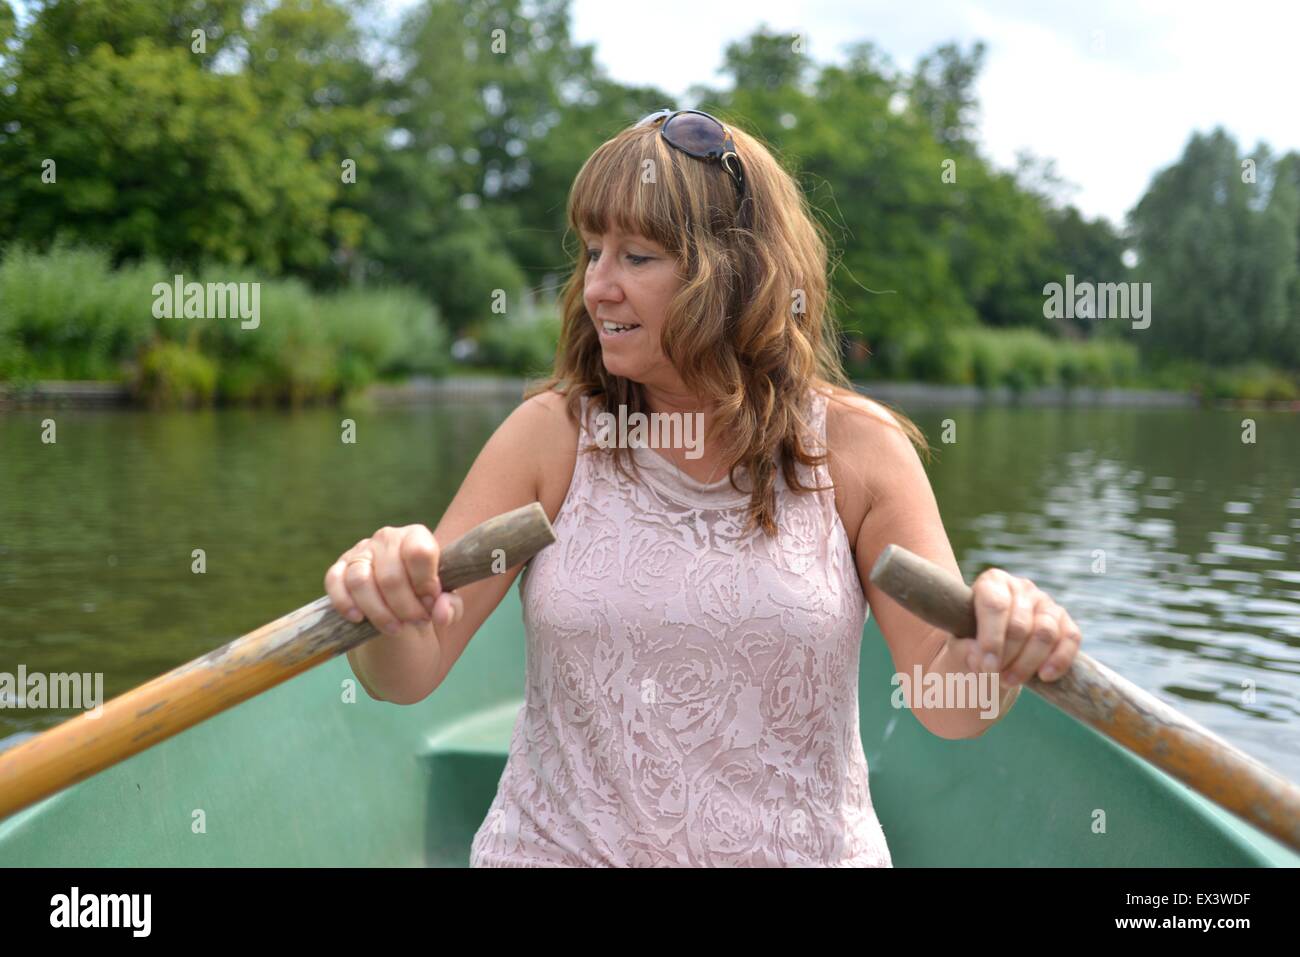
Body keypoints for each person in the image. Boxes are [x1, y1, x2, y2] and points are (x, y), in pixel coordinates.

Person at [324, 108, 1082, 867]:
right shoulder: (550, 436)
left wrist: (1001, 646)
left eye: (637, 257)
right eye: (592, 252)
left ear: (736, 271)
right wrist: (386, 602)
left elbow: (948, 706)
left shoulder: (860, 450)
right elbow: (410, 672)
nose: (597, 287)